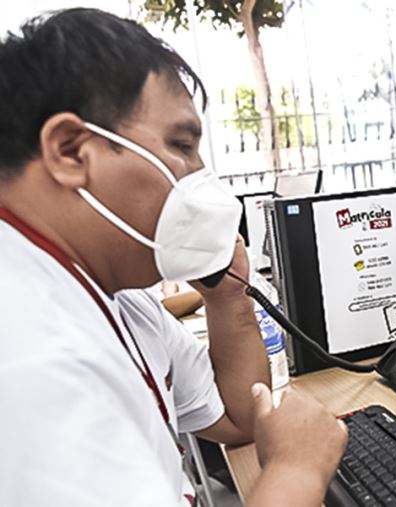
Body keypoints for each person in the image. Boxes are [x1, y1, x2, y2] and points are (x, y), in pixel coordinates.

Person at [0, 8, 346, 506]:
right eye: (182, 145)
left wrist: (228, 299)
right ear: (70, 151)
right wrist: (298, 469)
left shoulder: (119, 297)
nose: (199, 176)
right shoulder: (31, 354)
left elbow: (237, 418)